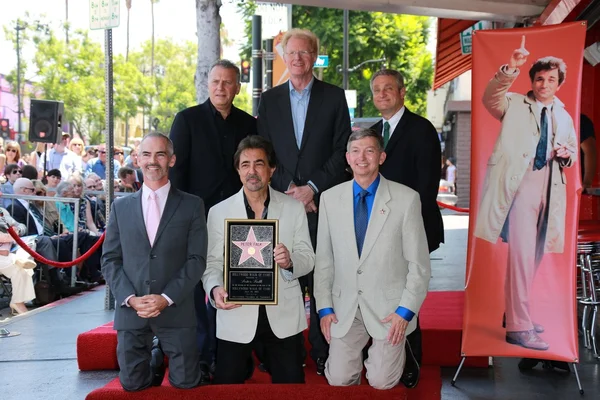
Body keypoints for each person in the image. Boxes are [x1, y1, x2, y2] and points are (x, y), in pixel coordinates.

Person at [257, 28, 352, 374]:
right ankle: (286, 350)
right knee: (285, 277)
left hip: (322, 203)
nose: (297, 58)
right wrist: (290, 188)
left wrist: (312, 188)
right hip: (282, 202)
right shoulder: (269, 101)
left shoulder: (334, 96)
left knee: (322, 276)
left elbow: (343, 148)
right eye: (291, 53)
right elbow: (264, 151)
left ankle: (322, 350)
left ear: (315, 57)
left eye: (305, 53)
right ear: (284, 57)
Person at [474, 37, 577, 351]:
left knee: (533, 257)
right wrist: (510, 69)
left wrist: (566, 152)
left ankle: (516, 313)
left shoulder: (564, 115)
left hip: (551, 188)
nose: (544, 84)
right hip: (520, 188)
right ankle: (519, 327)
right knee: (520, 257)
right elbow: (490, 99)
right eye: (539, 78)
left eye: (551, 79)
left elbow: (572, 151)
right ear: (532, 80)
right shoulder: (515, 103)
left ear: (559, 84)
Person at [314, 128, 431, 390]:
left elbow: (419, 266)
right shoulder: (330, 200)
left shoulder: (406, 199)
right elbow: (324, 259)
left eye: (369, 151)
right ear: (347, 158)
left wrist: (405, 312)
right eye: (355, 151)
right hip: (347, 307)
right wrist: (324, 307)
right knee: (340, 379)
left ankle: (401, 354)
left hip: (390, 310)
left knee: (381, 381)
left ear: (382, 157)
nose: (362, 157)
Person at [169, 59, 257, 377]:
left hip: (239, 221)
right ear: (208, 84)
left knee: (236, 285)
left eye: (228, 82)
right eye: (216, 81)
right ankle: (202, 357)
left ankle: (233, 354)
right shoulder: (187, 120)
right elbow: (176, 175)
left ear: (236, 87)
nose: (221, 87)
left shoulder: (249, 123)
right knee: (198, 290)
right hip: (197, 219)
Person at [202, 135, 315, 384]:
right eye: (245, 164)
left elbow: (309, 258)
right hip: (236, 311)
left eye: (259, 163)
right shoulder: (218, 212)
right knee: (227, 387)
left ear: (271, 169)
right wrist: (214, 289)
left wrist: (290, 261)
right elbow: (211, 264)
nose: (252, 171)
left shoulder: (293, 208)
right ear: (238, 170)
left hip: (283, 314)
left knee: (291, 388)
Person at [101, 132, 208, 391]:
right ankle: (156, 360)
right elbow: (110, 260)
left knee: (185, 384)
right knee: (132, 385)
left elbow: (196, 260)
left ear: (171, 160)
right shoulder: (120, 207)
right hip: (132, 310)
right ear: (137, 159)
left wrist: (166, 297)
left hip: (175, 308)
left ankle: (159, 353)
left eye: (160, 154)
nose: (153, 160)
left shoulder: (192, 205)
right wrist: (129, 298)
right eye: (146, 154)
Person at [369, 68, 444, 387]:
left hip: (410, 229)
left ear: (402, 93)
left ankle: (411, 361)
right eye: (377, 90)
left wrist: (400, 226)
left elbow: (428, 186)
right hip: (374, 232)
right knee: (380, 293)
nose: (382, 94)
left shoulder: (422, 129)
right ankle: (382, 354)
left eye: (389, 88)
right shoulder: (371, 132)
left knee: (406, 293)